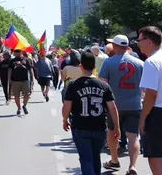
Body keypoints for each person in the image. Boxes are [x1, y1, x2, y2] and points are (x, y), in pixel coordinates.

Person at [62, 51, 119, 175]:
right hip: (99, 127)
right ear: (94, 67)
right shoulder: (104, 85)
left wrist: (65, 119)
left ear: (81, 66)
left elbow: (67, 106)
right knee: (95, 157)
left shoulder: (73, 85)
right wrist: (116, 126)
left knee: (86, 158)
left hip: (80, 126)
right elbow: (112, 108)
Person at [98, 34, 144, 175]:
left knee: (112, 133)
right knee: (133, 137)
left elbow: (102, 83)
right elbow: (144, 87)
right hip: (134, 105)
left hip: (114, 106)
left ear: (116, 46)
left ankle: (114, 160)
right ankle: (132, 166)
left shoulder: (108, 62)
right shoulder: (140, 63)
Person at [138, 26, 162, 174]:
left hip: (157, 114)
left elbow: (151, 95)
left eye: (139, 40)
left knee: (156, 156)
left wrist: (143, 119)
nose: (138, 43)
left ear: (148, 41)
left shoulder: (152, 62)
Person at [9, 47, 33, 116]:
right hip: (15, 80)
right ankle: (19, 108)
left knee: (27, 94)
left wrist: (32, 79)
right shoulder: (12, 61)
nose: (16, 53)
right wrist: (9, 79)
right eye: (15, 51)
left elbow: (30, 69)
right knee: (16, 96)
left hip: (25, 80)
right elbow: (10, 70)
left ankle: (24, 105)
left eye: (18, 51)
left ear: (21, 52)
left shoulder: (26, 60)